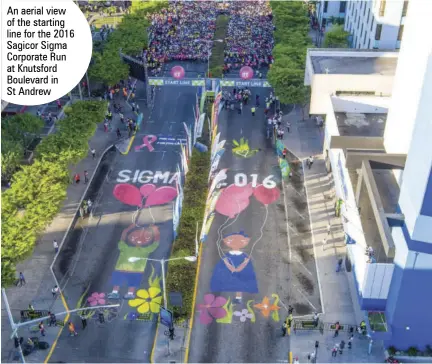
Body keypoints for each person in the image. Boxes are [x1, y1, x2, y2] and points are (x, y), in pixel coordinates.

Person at [210, 231, 258, 304]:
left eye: (241, 241)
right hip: (228, 271)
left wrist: (238, 268)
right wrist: (232, 268)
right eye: (231, 240)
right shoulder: (227, 255)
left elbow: (245, 264)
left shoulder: (244, 256)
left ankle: (238, 298)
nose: (236, 243)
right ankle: (222, 298)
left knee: (239, 283)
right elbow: (226, 262)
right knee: (226, 281)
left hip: (241, 272)